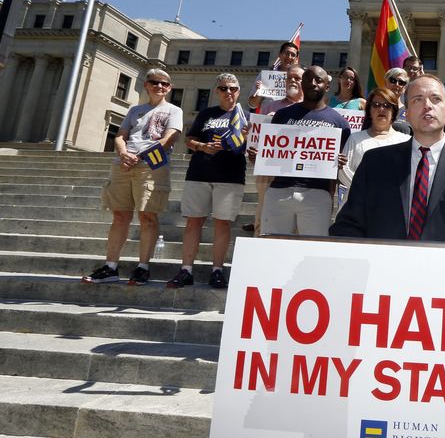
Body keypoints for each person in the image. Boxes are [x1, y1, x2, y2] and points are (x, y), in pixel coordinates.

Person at [330, 74, 445, 244]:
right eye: (418, 100)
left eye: (436, 99)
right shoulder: (374, 163)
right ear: (407, 113)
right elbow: (348, 225)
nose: (427, 106)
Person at [82, 69, 183, 285]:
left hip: (152, 166)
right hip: (123, 165)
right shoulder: (135, 110)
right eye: (155, 82)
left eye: (164, 84)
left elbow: (168, 139)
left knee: (148, 215)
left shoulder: (174, 111)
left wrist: (139, 156)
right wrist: (123, 153)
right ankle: (110, 267)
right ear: (146, 85)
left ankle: (143, 267)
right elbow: (120, 135)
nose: (160, 87)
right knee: (120, 216)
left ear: (170, 87)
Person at [167, 73, 247, 289]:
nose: (228, 92)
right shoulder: (206, 114)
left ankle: (217, 271)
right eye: (223, 88)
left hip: (230, 176)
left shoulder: (246, 117)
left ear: (239, 91)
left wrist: (250, 139)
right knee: (193, 222)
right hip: (200, 173)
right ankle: (186, 270)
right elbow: (189, 139)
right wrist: (203, 146)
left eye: (232, 88)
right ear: (216, 91)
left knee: (222, 224)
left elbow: (256, 145)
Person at [261, 66, 351, 236]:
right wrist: (259, 156)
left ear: (327, 86)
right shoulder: (281, 115)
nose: (313, 83)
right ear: (302, 83)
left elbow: (342, 168)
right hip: (279, 191)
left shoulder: (340, 123)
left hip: (317, 194)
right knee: (272, 247)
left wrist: (339, 162)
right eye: (308, 79)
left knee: (312, 249)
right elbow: (272, 155)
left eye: (318, 80)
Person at [245, 65, 304, 235]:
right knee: (264, 216)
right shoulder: (270, 107)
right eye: (289, 78)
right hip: (269, 170)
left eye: (297, 78)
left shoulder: (312, 109)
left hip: (299, 172)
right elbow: (256, 140)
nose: (292, 81)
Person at [338, 87, 410, 196]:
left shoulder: (406, 141)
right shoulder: (354, 139)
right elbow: (343, 170)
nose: (381, 109)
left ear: (394, 111)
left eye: (387, 106)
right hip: (357, 204)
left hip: (390, 205)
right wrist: (365, 191)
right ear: (369, 111)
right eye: (376, 105)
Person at [248, 41, 299, 111]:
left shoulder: (300, 78)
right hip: (267, 119)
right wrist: (259, 92)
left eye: (293, 55)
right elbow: (252, 104)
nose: (289, 57)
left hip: (289, 119)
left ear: (296, 59)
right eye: (286, 53)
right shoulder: (266, 75)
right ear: (279, 55)